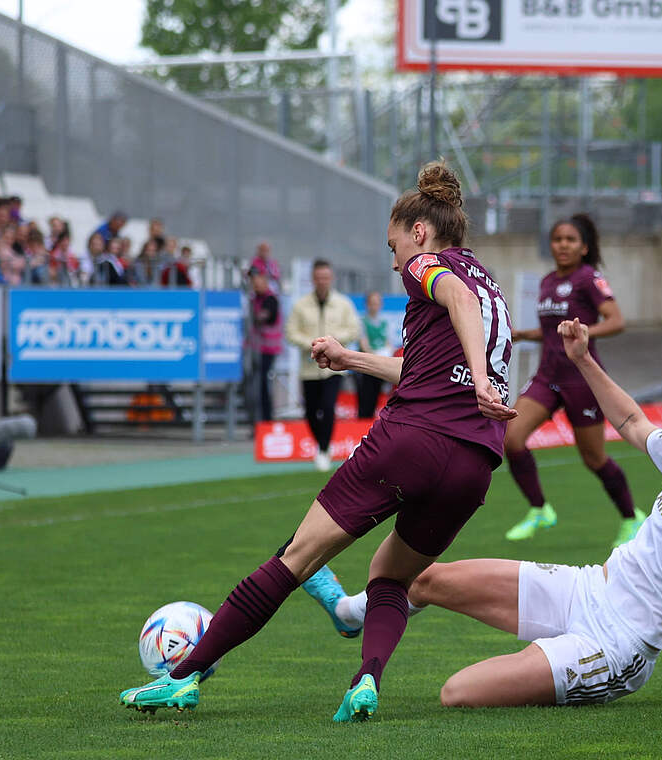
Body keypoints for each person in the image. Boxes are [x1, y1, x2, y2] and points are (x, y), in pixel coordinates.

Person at [120, 160, 517, 721]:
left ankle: (181, 678)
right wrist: (350, 358)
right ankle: (366, 682)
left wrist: (477, 378)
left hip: (412, 441)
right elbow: (428, 364)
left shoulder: (428, 265)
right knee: (390, 576)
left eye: (393, 244)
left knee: (295, 557)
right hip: (473, 463)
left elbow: (459, 304)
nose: (395, 258)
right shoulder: (489, 281)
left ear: (419, 232)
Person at [334, 322, 662, 713]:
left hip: (618, 646)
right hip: (586, 589)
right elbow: (632, 421)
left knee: (457, 693)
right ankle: (348, 613)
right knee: (425, 580)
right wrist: (583, 359)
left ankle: (571, 670)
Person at [503, 214, 638, 547]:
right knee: (511, 438)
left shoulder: (588, 277)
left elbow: (616, 320)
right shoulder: (548, 280)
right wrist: (525, 334)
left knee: (593, 458)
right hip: (547, 376)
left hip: (582, 380)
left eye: (570, 240)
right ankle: (540, 509)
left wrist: (584, 332)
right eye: (557, 239)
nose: (563, 245)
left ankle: (632, 517)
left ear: (584, 247)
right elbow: (554, 332)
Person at [285, 259, 361, 472]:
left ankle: (325, 450)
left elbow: (353, 329)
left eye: (326, 277)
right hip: (309, 368)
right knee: (310, 411)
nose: (322, 281)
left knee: (328, 407)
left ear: (331, 278)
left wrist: (332, 341)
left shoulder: (343, 304)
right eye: (318, 278)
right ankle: (321, 444)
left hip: (334, 367)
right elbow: (291, 332)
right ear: (313, 279)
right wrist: (311, 344)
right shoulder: (301, 305)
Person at [247, 267, 282, 424]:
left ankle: (266, 421)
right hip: (256, 350)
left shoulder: (270, 300)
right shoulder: (256, 299)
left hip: (267, 350)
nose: (254, 284)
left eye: (257, 281)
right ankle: (259, 420)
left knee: (263, 385)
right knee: (257, 386)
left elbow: (263, 318)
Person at [354, 291, 394, 419]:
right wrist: (374, 356)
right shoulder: (362, 322)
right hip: (366, 366)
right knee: (365, 398)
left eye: (377, 303)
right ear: (367, 304)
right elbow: (363, 344)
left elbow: (389, 343)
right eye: (372, 303)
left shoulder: (384, 322)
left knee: (377, 396)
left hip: (380, 364)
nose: (374, 306)